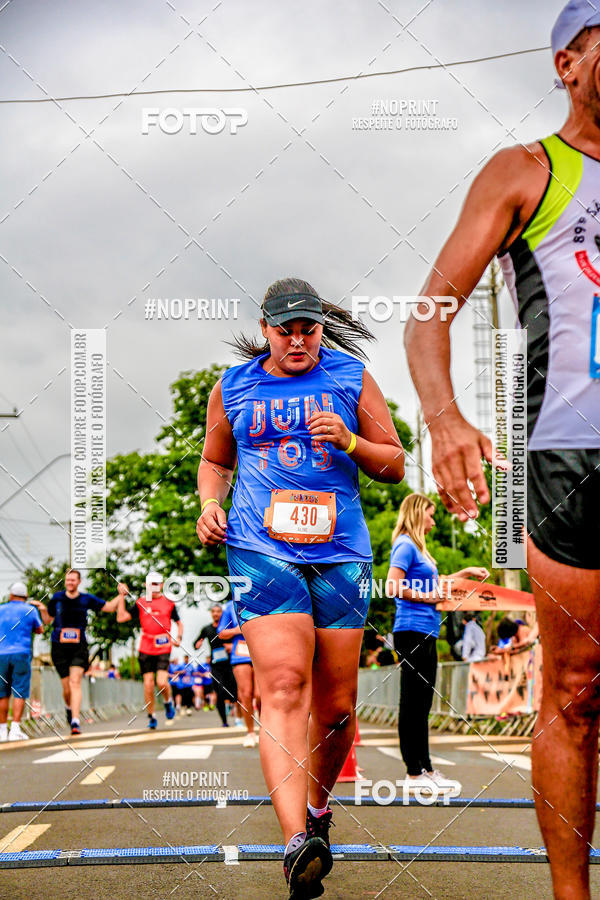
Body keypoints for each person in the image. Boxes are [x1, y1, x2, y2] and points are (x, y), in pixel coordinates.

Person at [403, 4, 600, 895]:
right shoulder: (528, 170)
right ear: (568, 62)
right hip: (575, 459)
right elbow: (431, 307)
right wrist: (444, 418)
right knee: (574, 690)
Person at [196, 279, 404, 898]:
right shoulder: (233, 385)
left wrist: (350, 441)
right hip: (261, 549)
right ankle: (295, 846)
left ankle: (315, 813)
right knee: (284, 685)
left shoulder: (352, 377)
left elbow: (394, 464)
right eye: (285, 329)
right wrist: (211, 503)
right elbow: (215, 460)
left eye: (307, 328)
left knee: (337, 708)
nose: (297, 340)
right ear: (265, 329)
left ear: (320, 327)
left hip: (341, 553)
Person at [386, 493, 488, 792]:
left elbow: (435, 582)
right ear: (418, 514)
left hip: (427, 630)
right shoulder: (405, 544)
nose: (432, 521)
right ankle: (413, 773)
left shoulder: (418, 548)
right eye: (430, 515)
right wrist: (429, 597)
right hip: (412, 630)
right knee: (413, 702)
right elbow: (393, 584)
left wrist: (465, 573)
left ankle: (426, 767)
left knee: (424, 703)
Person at [34, 569, 123, 735]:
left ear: (79, 582)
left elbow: (110, 607)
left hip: (78, 646)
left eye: (73, 580)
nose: (70, 583)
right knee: (66, 688)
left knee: (75, 681)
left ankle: (75, 721)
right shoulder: (57, 598)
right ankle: (69, 708)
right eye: (68, 580)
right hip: (59, 646)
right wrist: (42, 609)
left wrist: (121, 595)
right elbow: (47, 620)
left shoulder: (86, 599)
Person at [116, 573, 181, 729]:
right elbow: (121, 617)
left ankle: (167, 702)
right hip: (146, 647)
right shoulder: (141, 602)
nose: (154, 586)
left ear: (162, 584)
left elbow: (179, 622)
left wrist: (178, 636)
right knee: (148, 685)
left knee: (161, 681)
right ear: (146, 585)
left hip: (163, 646)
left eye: (157, 583)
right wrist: (121, 596)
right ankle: (151, 716)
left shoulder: (169, 603)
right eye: (151, 583)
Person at [0, 582, 43, 741]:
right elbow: (40, 630)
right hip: (21, 654)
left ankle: (2, 731)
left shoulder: (1, 609)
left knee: (2, 694)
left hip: (1, 654)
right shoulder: (30, 610)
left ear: (11, 595)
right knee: (19, 691)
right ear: (25, 597)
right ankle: (15, 729)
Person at [217, 597, 260, 747]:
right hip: (240, 653)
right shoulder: (229, 607)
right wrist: (239, 629)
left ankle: (265, 729)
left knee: (260, 696)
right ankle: (250, 732)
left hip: (261, 650)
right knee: (246, 694)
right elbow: (221, 632)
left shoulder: (263, 600)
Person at [195, 604, 238, 727]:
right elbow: (196, 642)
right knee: (219, 692)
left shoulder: (227, 627)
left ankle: (237, 717)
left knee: (235, 691)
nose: (215, 614)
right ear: (211, 613)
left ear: (222, 613)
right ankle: (224, 721)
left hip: (230, 663)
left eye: (218, 611)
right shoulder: (207, 629)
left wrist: (231, 646)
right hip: (216, 665)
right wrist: (197, 644)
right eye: (213, 611)